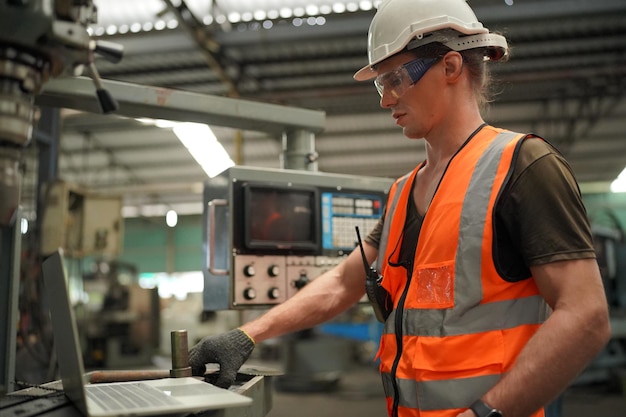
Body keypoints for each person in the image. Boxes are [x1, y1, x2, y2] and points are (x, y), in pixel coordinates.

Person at [188, 0, 611, 416]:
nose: (385, 100)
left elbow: (585, 316)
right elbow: (342, 283)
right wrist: (248, 334)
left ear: (450, 67)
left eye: (396, 79)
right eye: (380, 84)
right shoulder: (404, 191)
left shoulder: (524, 165)